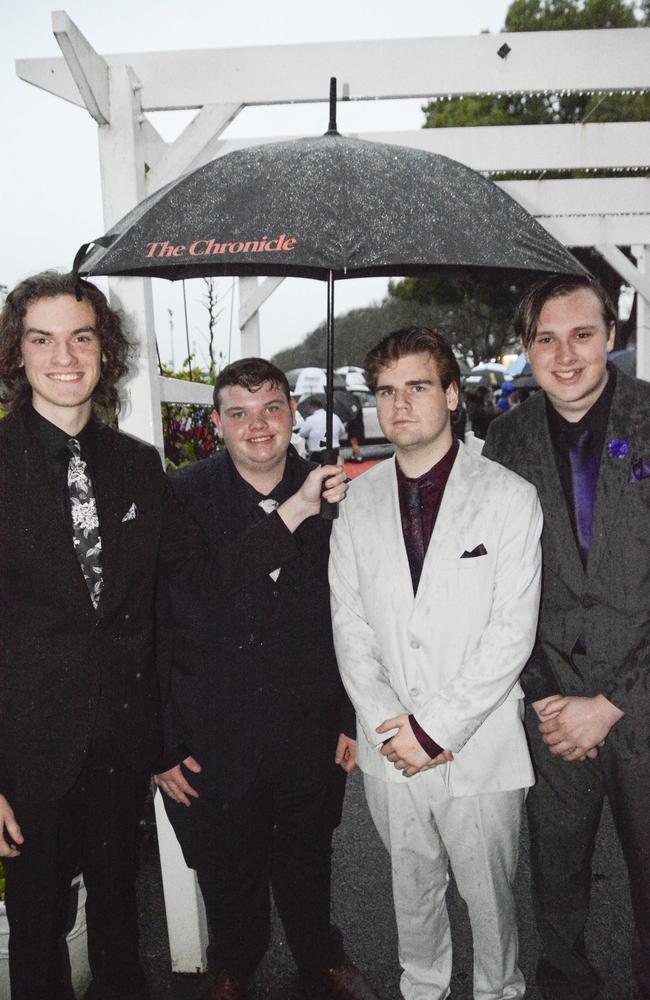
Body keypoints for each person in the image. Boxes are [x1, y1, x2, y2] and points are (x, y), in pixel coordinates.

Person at [0, 272, 346, 1000]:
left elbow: (207, 577)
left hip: (120, 744)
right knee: (36, 935)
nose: (65, 355)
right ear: (18, 353)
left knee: (122, 927)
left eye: (81, 336)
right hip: (25, 748)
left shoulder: (135, 466)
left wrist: (298, 508)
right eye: (43, 338)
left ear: (105, 349)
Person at [154, 358, 379, 1000]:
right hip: (213, 722)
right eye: (240, 412)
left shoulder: (335, 492)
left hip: (309, 722)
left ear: (294, 414)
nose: (259, 426)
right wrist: (164, 741)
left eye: (272, 408)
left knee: (309, 854)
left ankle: (321, 958)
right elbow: (157, 621)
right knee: (226, 864)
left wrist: (348, 718)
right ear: (217, 423)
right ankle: (232, 964)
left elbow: (356, 618)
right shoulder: (181, 495)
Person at [329, 327, 543, 1000]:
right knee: (412, 902)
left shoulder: (510, 496)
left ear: (451, 394)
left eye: (417, 387)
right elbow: (349, 626)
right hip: (390, 747)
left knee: (492, 908)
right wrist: (394, 725)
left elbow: (512, 633)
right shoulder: (355, 504)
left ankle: (497, 991)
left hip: (477, 746)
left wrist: (436, 729)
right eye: (386, 392)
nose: (399, 406)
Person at [483, 274, 650, 1000]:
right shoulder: (505, 438)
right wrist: (547, 698)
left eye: (582, 334)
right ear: (526, 349)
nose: (566, 355)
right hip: (548, 709)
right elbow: (492, 578)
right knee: (556, 883)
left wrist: (612, 701)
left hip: (643, 703)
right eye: (546, 339)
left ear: (610, 336)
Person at [298, 396, 345, 463]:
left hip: (318, 452)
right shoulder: (334, 416)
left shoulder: (311, 419)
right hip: (334, 450)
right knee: (333, 470)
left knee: (318, 471)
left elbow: (302, 433)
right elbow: (342, 431)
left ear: (312, 408)